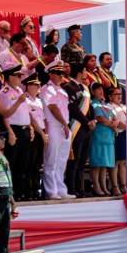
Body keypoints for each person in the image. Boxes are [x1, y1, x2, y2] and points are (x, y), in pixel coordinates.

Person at [0, 66, 33, 200]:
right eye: (17, 76)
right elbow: (4, 114)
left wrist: (30, 126)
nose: (20, 78)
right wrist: (10, 132)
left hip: (24, 129)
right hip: (13, 129)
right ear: (10, 77)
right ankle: (10, 193)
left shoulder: (19, 90)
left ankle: (21, 192)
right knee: (12, 162)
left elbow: (25, 111)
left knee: (23, 162)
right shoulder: (4, 93)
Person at [41, 64, 73, 200]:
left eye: (62, 73)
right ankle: (51, 190)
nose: (61, 76)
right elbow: (53, 108)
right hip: (54, 125)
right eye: (57, 73)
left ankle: (61, 189)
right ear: (50, 74)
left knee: (61, 161)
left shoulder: (62, 90)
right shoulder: (47, 89)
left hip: (63, 126)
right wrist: (65, 125)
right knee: (51, 159)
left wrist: (66, 126)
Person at [64, 65, 94, 197]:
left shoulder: (85, 88)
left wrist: (93, 120)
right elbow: (73, 108)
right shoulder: (68, 87)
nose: (86, 73)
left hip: (86, 128)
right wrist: (86, 121)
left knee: (82, 161)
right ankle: (72, 187)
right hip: (76, 127)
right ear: (80, 72)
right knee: (74, 160)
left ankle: (80, 187)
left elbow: (90, 107)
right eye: (85, 71)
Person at [89, 82, 118, 196]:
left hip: (108, 137)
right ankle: (96, 186)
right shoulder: (94, 104)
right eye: (98, 89)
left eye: (101, 89)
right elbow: (100, 118)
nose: (101, 91)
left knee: (104, 164)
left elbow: (114, 117)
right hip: (99, 136)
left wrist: (115, 123)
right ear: (93, 92)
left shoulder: (106, 104)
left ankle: (104, 186)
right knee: (97, 163)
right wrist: (112, 125)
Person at [24, 76, 47, 200]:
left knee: (38, 163)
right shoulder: (26, 100)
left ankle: (36, 188)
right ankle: (28, 190)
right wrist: (42, 133)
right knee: (30, 162)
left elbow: (43, 119)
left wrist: (45, 133)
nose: (38, 87)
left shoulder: (38, 101)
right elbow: (31, 119)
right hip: (33, 132)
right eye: (35, 85)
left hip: (41, 132)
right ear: (28, 86)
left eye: (39, 85)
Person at [107, 85, 127, 195]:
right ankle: (115, 186)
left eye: (120, 94)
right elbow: (116, 121)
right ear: (110, 97)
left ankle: (124, 185)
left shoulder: (124, 107)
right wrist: (126, 127)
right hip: (117, 135)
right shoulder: (109, 106)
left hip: (126, 135)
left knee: (123, 162)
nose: (119, 96)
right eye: (116, 94)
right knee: (116, 162)